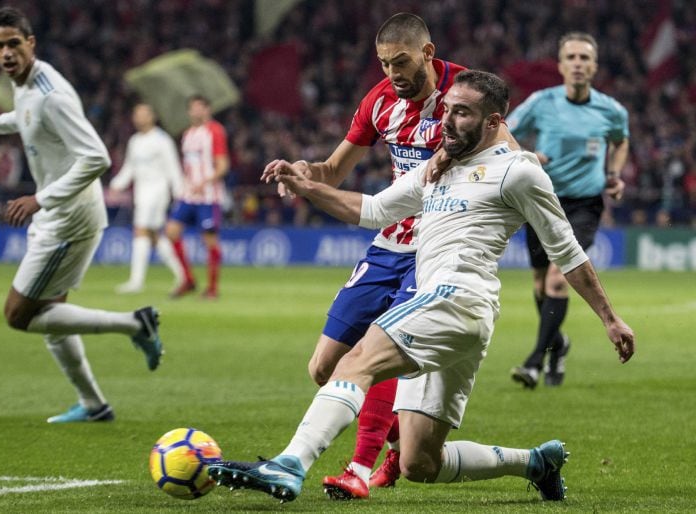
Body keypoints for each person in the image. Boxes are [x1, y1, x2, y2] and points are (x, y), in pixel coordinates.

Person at [209, 70, 635, 504]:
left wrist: (609, 318)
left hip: (456, 298)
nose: (447, 120)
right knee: (419, 463)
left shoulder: (518, 172)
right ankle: (535, 463)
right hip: (456, 315)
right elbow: (374, 209)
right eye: (447, 109)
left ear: (493, 123)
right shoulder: (438, 167)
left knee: (356, 361)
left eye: (462, 113)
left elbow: (567, 251)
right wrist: (309, 187)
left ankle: (290, 463)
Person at [260, 13, 520, 500]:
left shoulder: (463, 96)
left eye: (400, 62)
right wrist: (303, 171)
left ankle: (358, 467)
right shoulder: (380, 102)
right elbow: (332, 170)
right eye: (384, 64)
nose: (392, 74)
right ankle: (399, 437)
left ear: (427, 52)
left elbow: (507, 152)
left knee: (377, 351)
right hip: (388, 242)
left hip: (438, 246)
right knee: (323, 367)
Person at [0, 6, 163, 423]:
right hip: (60, 212)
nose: (6, 52)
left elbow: (97, 157)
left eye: (14, 43)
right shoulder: (25, 85)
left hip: (69, 216)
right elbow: (28, 120)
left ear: (31, 43)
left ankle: (135, 324)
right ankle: (93, 404)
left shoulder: (51, 93)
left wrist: (40, 198)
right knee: (52, 315)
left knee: (18, 314)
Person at [507, 32, 630, 389]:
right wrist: (525, 155)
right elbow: (502, 131)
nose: (578, 63)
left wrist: (614, 174)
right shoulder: (542, 102)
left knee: (559, 278)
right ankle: (558, 345)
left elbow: (621, 140)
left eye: (584, 58)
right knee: (540, 284)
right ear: (561, 65)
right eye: (571, 57)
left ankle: (534, 361)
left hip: (585, 204)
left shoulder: (611, 110)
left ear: (594, 66)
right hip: (543, 201)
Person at [109, 102, 185, 294]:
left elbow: (173, 168)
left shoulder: (162, 140)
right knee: (154, 237)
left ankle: (136, 281)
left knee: (141, 231)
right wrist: (117, 184)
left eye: (143, 114)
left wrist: (179, 193)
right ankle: (184, 276)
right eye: (136, 114)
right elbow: (130, 167)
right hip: (141, 193)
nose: (139, 118)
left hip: (158, 192)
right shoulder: (135, 141)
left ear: (152, 117)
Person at [164, 94, 229, 299]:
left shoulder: (215, 131)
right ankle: (189, 279)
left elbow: (223, 165)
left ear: (208, 110)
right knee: (172, 230)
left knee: (209, 240)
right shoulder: (188, 134)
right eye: (193, 108)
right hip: (189, 194)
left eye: (201, 107)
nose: (197, 111)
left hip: (209, 196)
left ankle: (212, 288)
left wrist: (206, 181)